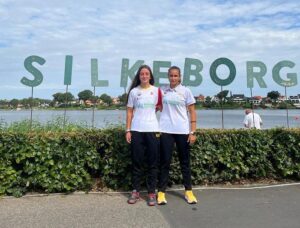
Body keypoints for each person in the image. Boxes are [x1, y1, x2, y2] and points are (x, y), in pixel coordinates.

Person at [157, 66, 198, 205]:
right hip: (165, 131)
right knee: (165, 162)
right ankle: (161, 193)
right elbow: (156, 106)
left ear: (180, 77)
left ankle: (189, 192)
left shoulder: (186, 91)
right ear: (168, 76)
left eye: (176, 76)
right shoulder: (162, 90)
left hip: (182, 131)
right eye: (171, 76)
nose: (173, 78)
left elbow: (192, 112)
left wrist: (193, 132)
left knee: (185, 163)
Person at [125, 65, 161, 206]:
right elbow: (129, 112)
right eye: (142, 74)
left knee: (152, 163)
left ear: (150, 76)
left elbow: (160, 108)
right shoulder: (134, 92)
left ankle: (152, 192)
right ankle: (135, 191)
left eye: (147, 74)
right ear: (139, 76)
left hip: (152, 130)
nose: (144, 76)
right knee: (137, 162)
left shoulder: (157, 91)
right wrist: (128, 130)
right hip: (136, 130)